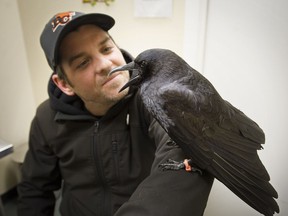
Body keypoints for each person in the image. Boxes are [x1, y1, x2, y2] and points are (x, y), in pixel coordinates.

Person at [17, 11, 214, 216]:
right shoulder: (45, 118)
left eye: (106, 48)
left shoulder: (157, 99)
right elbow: (34, 191)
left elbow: (186, 163)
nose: (105, 65)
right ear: (64, 84)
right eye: (83, 62)